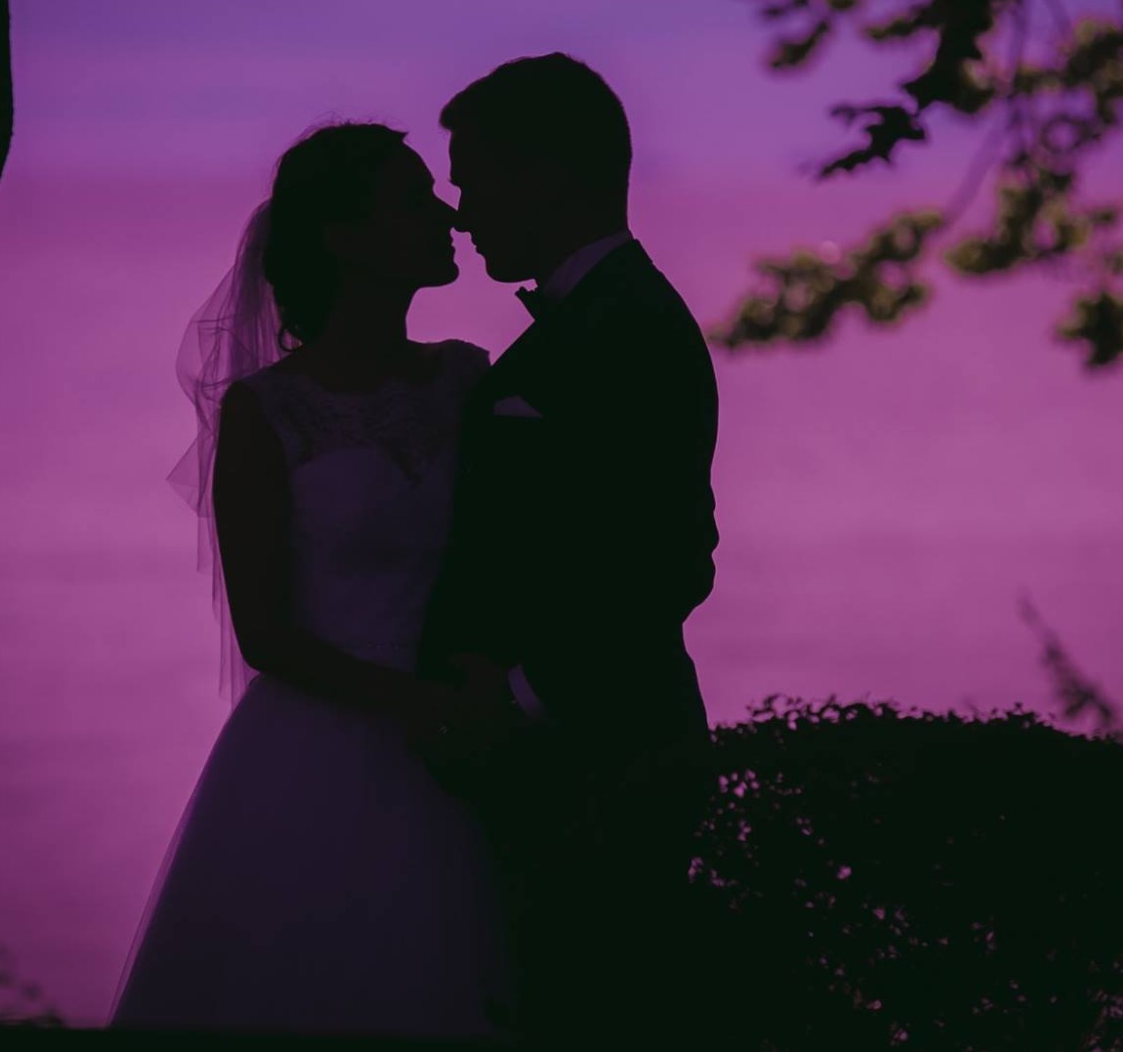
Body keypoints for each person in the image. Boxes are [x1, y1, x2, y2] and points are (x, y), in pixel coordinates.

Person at [107, 121, 516, 1038]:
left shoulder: (467, 379)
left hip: (463, 744)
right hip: (321, 753)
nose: (445, 213)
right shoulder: (267, 412)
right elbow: (266, 632)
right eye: (413, 200)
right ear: (343, 238)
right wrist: (417, 703)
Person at [414, 53, 721, 1045]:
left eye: (471, 179)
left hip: (605, 765)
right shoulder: (592, 320)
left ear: (543, 176)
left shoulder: (628, 326)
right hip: (568, 764)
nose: (459, 213)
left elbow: (672, 556)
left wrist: (518, 693)